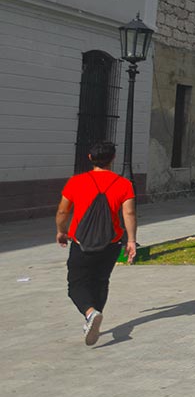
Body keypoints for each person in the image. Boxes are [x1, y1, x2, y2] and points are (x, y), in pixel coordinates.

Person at [54, 140, 137, 346]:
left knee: (76, 285)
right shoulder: (124, 184)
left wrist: (61, 231)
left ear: (90, 158)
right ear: (113, 159)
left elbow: (63, 211)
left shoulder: (76, 181)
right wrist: (132, 240)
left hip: (82, 242)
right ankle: (94, 316)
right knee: (101, 281)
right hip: (111, 242)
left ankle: (90, 314)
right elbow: (129, 212)